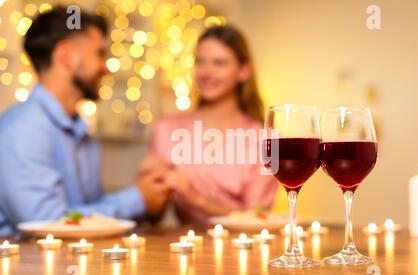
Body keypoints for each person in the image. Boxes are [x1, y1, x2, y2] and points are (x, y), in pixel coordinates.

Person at [0, 7, 170, 236]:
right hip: (29, 269)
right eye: (100, 53)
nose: (106, 68)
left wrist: (149, 194)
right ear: (66, 56)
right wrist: (137, 199)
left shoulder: (83, 134)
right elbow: (47, 226)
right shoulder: (21, 130)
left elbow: (91, 218)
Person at [140, 25, 278, 226]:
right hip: (186, 249)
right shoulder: (166, 130)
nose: (206, 72)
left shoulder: (267, 139)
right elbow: (154, 217)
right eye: (200, 61)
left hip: (243, 252)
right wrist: (146, 185)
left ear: (243, 71)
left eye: (219, 63)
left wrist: (195, 198)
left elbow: (258, 218)